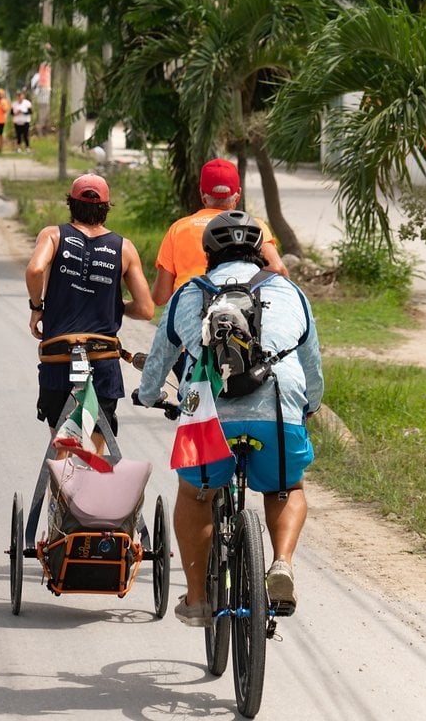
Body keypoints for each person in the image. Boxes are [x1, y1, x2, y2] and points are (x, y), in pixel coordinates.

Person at [136, 211, 322, 626]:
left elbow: (158, 363)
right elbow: (311, 363)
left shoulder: (189, 293)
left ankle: (199, 598)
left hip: (206, 412)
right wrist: (309, 403)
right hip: (277, 406)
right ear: (259, 251)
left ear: (208, 253)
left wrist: (147, 396)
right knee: (285, 488)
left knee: (195, 494)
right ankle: (282, 565)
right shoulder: (290, 293)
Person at [25, 174, 154, 448]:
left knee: (62, 445)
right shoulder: (125, 248)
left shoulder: (53, 235)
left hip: (58, 356)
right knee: (95, 447)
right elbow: (145, 310)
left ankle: (61, 488)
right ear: (107, 208)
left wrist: (37, 308)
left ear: (71, 204)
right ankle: (90, 487)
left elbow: (35, 269)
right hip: (102, 359)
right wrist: (117, 306)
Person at [151, 158, 288, 307]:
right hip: (242, 308)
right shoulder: (254, 226)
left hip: (189, 309)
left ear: (202, 194)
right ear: (238, 194)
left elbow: (160, 297)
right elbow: (277, 269)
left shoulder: (178, 229)